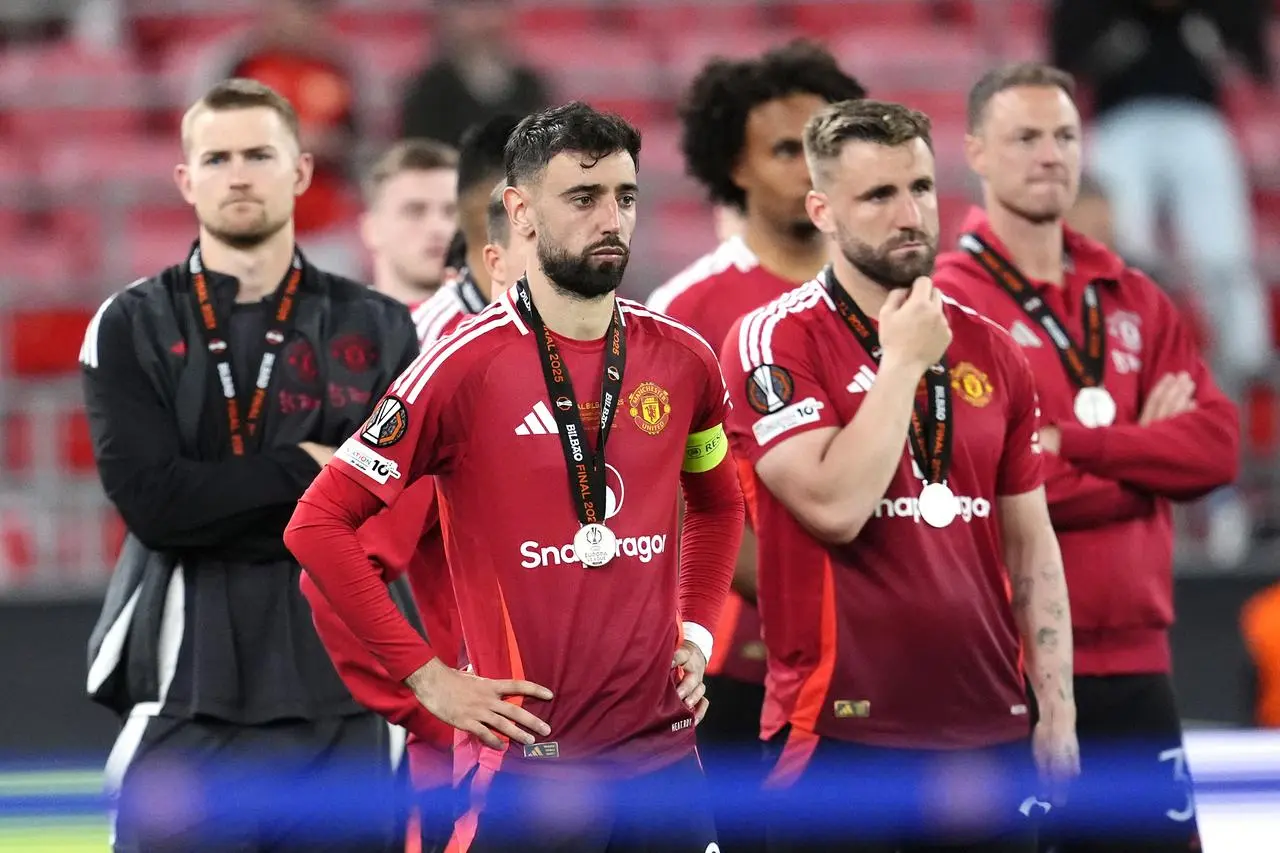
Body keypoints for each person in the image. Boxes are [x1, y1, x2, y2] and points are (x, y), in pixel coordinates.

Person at [285, 102, 746, 852]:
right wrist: (426, 677)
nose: (611, 219)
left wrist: (694, 631)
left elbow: (720, 506)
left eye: (625, 198)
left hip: (664, 763)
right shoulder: (461, 365)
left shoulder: (684, 359)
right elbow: (316, 525)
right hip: (529, 769)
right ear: (519, 210)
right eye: (584, 198)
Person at [722, 99, 1080, 852]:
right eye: (879, 195)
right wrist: (906, 360)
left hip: (991, 730)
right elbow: (834, 505)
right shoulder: (774, 337)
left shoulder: (993, 348)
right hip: (840, 733)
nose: (910, 212)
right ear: (821, 209)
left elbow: (1032, 545)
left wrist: (1057, 707)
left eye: (920, 187)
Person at [81, 78, 419, 853]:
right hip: (182, 690)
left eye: (260, 154)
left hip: (348, 694)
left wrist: (224, 494)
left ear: (300, 171)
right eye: (218, 156)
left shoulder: (380, 325)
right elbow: (156, 505)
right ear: (186, 178)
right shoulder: (130, 323)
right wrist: (307, 465)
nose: (239, 174)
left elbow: (391, 511)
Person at [931, 63, 1240, 852]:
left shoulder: (1135, 294)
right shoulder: (947, 302)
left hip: (1139, 661)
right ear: (976, 151)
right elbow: (975, 485)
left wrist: (1079, 446)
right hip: (1002, 663)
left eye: (1064, 135)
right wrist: (1145, 470)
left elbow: (1216, 448)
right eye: (1025, 137)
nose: (1050, 154)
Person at [645, 44, 866, 827]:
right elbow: (664, 498)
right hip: (747, 666)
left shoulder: (900, 300)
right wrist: (807, 601)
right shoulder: (685, 312)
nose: (811, 167)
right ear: (731, 167)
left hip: (897, 662)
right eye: (784, 149)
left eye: (824, 146)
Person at [301, 121, 529, 853]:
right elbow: (336, 545)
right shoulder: (431, 363)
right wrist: (428, 698)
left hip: (613, 740)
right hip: (486, 750)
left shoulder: (625, 352)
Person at [399, 0, 547, 147]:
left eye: (492, 6)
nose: (482, 19)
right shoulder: (428, 89)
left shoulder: (528, 85)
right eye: (470, 8)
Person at [359, 138, 459, 306]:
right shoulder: (331, 329)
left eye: (452, 212)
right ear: (371, 229)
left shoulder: (507, 327)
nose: (438, 227)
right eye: (415, 211)